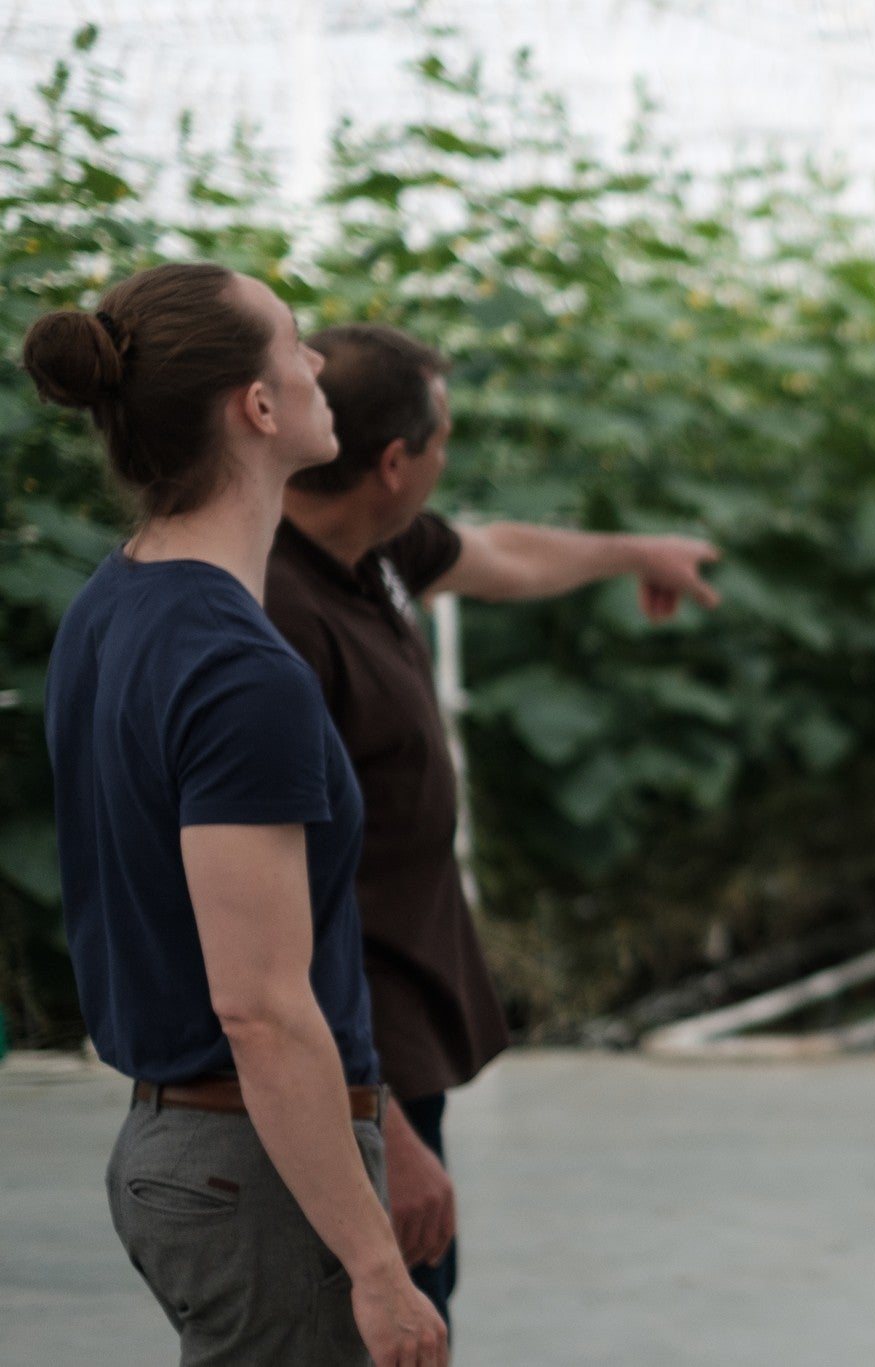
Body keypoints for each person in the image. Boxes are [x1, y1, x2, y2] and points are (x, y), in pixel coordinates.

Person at [262, 321, 721, 1329]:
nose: (445, 459)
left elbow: (500, 552)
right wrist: (369, 1114)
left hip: (391, 1035)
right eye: (443, 440)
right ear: (394, 462)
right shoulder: (275, 612)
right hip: (347, 1035)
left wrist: (633, 551)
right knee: (376, 1314)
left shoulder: (367, 546)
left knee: (414, 1306)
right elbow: (273, 917)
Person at [31, 263, 446, 1367]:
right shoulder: (236, 667)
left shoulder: (111, 602)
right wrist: (376, 1267)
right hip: (254, 1165)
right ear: (257, 408)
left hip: (190, 1143)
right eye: (297, 345)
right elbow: (259, 1006)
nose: (319, 365)